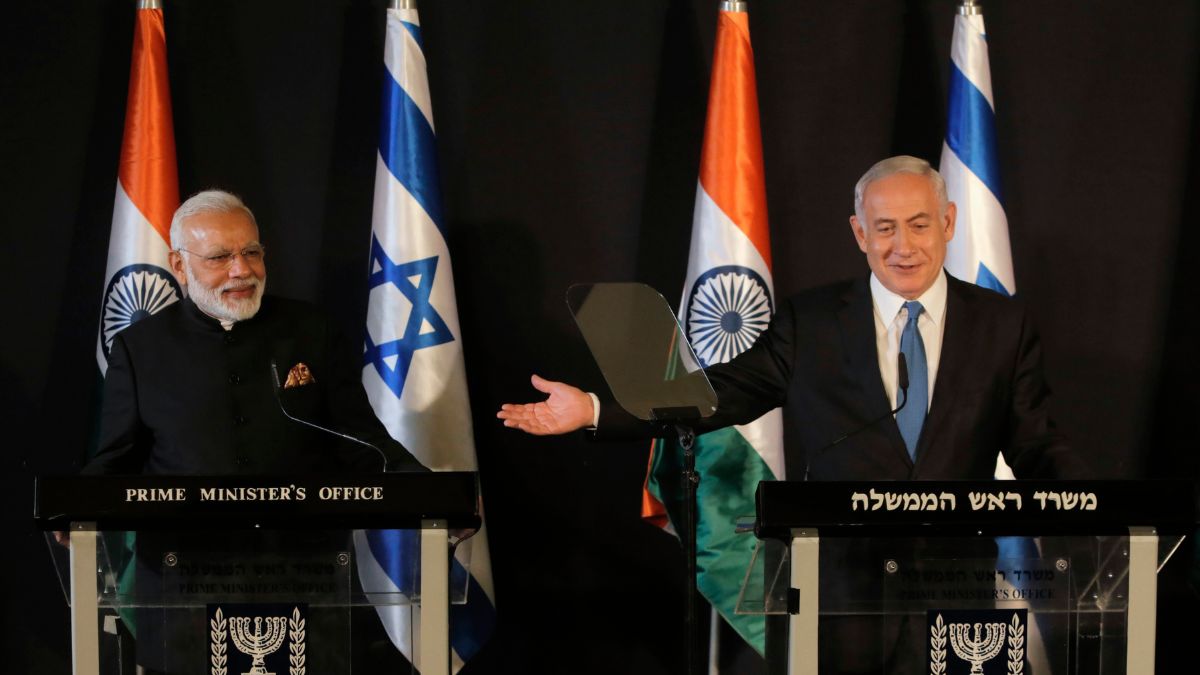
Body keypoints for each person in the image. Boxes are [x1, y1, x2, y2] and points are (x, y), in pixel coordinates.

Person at [497, 155, 1087, 482]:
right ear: (859, 233)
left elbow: (1035, 443)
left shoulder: (1001, 326)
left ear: (949, 223)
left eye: (919, 224)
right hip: (841, 585)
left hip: (955, 590)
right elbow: (716, 396)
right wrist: (595, 409)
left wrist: (1106, 511)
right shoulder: (813, 323)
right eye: (884, 228)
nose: (903, 246)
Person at [83, 189, 424, 475]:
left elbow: (364, 443)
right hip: (185, 533)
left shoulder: (312, 329)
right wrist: (72, 510)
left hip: (301, 534)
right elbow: (116, 461)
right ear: (179, 266)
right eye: (220, 257)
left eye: (251, 252)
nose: (242, 270)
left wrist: (433, 493)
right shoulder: (139, 348)